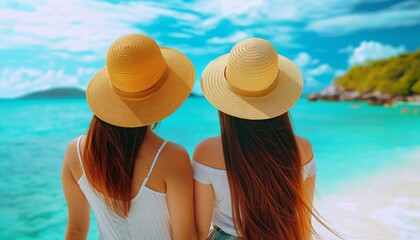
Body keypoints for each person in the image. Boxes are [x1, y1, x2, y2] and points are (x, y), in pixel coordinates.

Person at [61, 34, 197, 240]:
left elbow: (76, 230)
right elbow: (185, 237)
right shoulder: (172, 157)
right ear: (161, 100)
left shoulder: (76, 152)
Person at [193, 38, 317, 240]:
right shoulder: (303, 148)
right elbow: (303, 226)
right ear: (279, 97)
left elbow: (198, 231)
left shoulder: (207, 151)